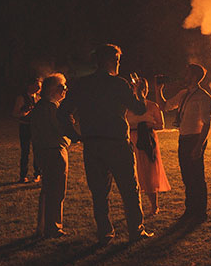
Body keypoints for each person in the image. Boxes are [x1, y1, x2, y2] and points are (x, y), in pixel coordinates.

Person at [62, 44, 153, 241]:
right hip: (117, 144)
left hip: (93, 145)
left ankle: (105, 231)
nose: (119, 64)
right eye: (118, 60)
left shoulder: (82, 84)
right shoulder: (118, 84)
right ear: (111, 61)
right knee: (129, 189)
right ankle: (136, 230)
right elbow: (138, 109)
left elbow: (63, 112)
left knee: (99, 191)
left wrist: (76, 135)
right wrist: (140, 93)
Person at [159, 63, 211, 222]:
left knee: (197, 176)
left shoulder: (203, 97)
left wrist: (199, 146)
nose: (185, 76)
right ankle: (190, 209)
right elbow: (164, 106)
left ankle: (200, 212)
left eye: (188, 73)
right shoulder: (183, 94)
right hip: (183, 138)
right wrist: (159, 89)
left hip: (195, 139)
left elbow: (207, 123)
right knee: (187, 176)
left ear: (195, 77)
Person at [31, 74, 78, 238]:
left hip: (44, 150)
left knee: (48, 189)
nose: (65, 90)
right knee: (56, 191)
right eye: (62, 87)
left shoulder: (40, 106)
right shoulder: (52, 108)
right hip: (55, 151)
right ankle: (53, 227)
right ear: (53, 89)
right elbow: (62, 128)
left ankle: (43, 226)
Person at [129, 78, 171, 217]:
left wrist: (146, 125)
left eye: (143, 88)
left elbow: (160, 125)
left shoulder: (152, 106)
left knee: (149, 172)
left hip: (148, 140)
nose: (140, 91)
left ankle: (154, 206)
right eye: (137, 88)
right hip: (132, 139)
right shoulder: (128, 107)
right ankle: (134, 207)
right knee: (133, 173)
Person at [12, 78, 42, 183]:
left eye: (40, 87)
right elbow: (15, 114)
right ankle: (23, 175)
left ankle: (37, 174)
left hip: (35, 127)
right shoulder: (22, 98)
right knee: (25, 152)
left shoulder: (39, 98)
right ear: (30, 86)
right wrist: (25, 112)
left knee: (37, 151)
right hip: (25, 127)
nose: (39, 89)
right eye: (37, 86)